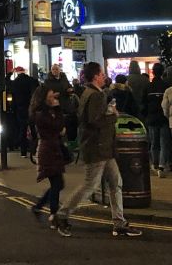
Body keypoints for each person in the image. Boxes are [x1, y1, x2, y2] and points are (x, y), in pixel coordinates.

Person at [56, 62, 142, 237]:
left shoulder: (91, 93)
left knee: (116, 183)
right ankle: (62, 215)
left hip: (103, 148)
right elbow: (94, 121)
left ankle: (119, 223)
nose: (104, 76)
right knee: (90, 185)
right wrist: (113, 116)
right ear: (95, 76)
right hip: (97, 148)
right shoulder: (95, 95)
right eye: (102, 74)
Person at [29, 85, 67, 231]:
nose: (53, 99)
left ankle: (38, 207)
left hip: (53, 149)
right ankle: (53, 215)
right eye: (50, 97)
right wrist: (58, 110)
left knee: (58, 184)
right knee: (57, 184)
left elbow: (59, 126)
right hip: (48, 151)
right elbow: (57, 126)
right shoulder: (40, 114)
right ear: (44, 98)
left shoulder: (46, 112)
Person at [145, 62, 170, 177]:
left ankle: (154, 164)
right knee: (164, 143)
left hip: (151, 118)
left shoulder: (148, 87)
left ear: (152, 72)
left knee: (154, 142)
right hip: (164, 119)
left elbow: (143, 103)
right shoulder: (166, 86)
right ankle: (161, 165)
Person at [11, 66, 38, 157]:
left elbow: (12, 96)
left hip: (20, 109)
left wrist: (9, 73)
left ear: (17, 72)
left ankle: (23, 152)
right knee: (33, 129)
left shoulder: (15, 83)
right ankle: (34, 150)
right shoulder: (31, 80)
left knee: (22, 130)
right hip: (31, 108)